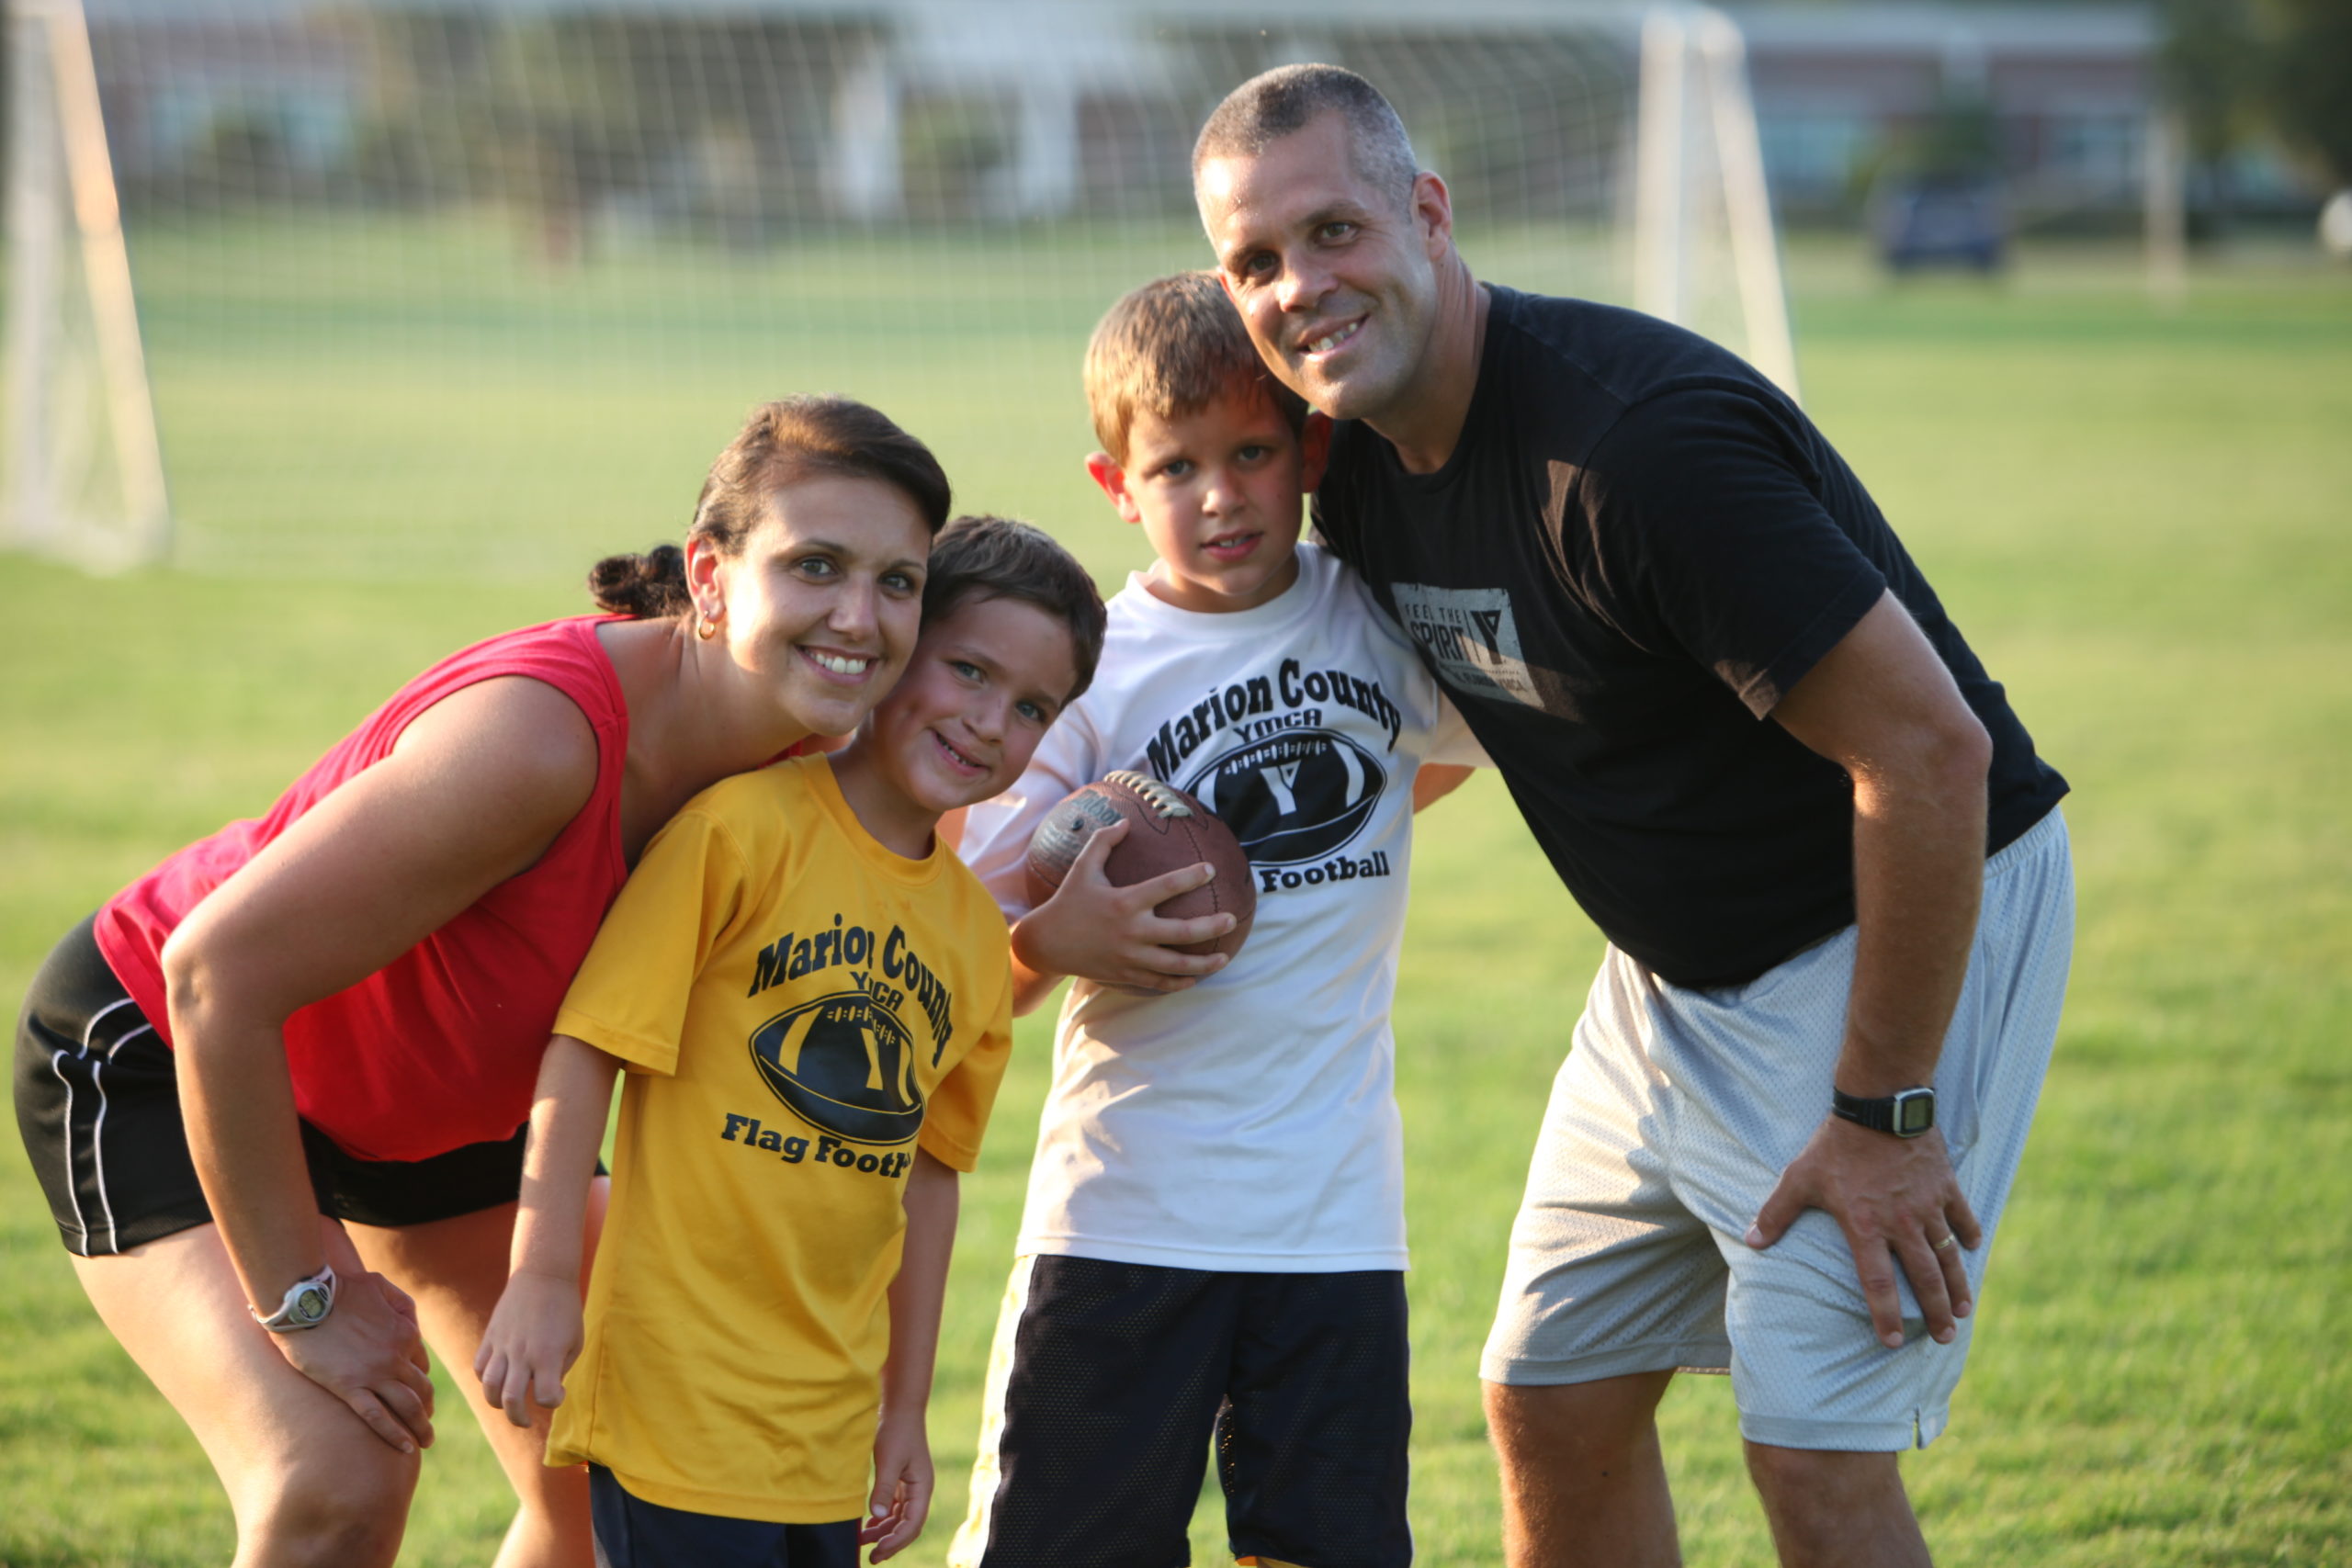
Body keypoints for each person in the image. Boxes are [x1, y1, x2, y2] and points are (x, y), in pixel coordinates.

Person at [1191, 66, 2074, 1568]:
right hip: (1670, 982)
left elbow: (1931, 755)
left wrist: (1885, 1116)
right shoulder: (1356, 468)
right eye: (1256, 263)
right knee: (1549, 1392)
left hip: (1887, 921)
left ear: (1427, 212)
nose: (1300, 288)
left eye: (1333, 230)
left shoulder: (1634, 450)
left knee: (1813, 1450)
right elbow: (1476, 703)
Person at [11, 395, 953, 1568]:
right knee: (338, 1473)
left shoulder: (814, 757)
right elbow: (213, 974)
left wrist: (1072, 928)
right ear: (709, 579)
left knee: (601, 1467)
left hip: (441, 1111)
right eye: (815, 566)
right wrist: (302, 1302)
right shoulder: (541, 740)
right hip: (167, 1048)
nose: (858, 618)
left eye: (897, 582)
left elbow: (935, 957)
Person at [944, 272, 1483, 1568]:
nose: (1222, 495)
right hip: (1126, 1210)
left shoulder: (1377, 621)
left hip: (1336, 1216)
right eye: (1176, 465)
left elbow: (1439, 762)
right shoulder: (1084, 671)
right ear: (1115, 483)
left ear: (1312, 448)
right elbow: (973, 957)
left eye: (1252, 453)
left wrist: (1302, 852)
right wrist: (1047, 944)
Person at [469, 515, 1105, 1568]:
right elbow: (587, 1048)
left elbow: (929, 1182)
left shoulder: (971, 942)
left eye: (1032, 707)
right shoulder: (739, 832)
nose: (991, 722)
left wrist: (904, 1414)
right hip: (677, 1402)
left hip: (826, 1429)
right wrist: (539, 1277)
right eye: (968, 671)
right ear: (896, 650)